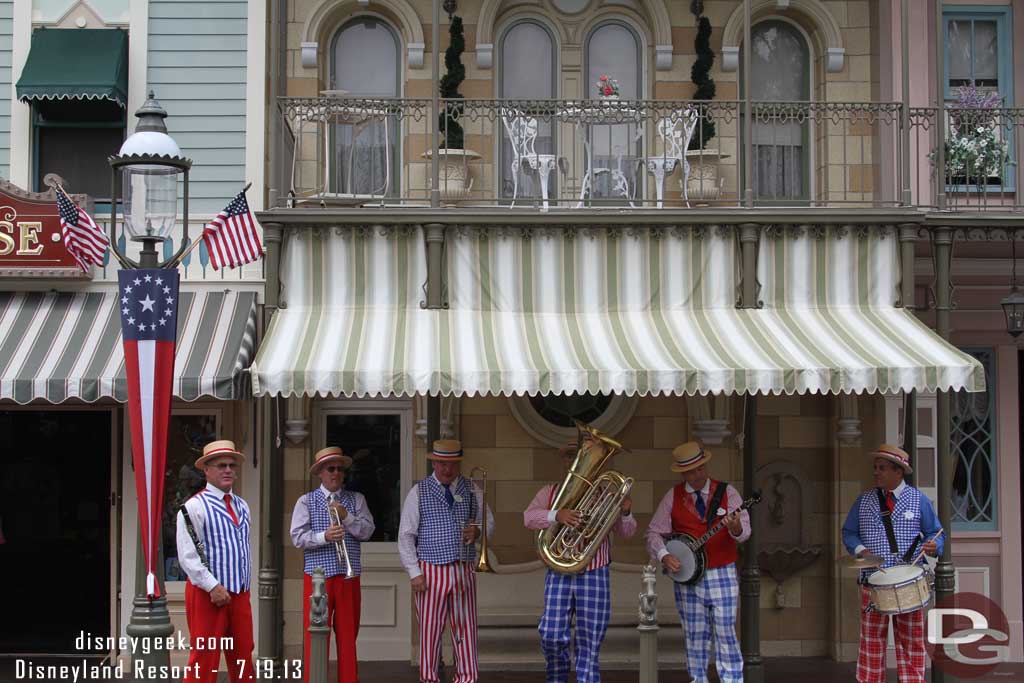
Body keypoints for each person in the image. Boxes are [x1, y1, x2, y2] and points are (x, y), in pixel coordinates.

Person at [523, 436, 636, 683]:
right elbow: (528, 518)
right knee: (551, 634)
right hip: (559, 572)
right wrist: (557, 515)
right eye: (570, 455)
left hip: (594, 572)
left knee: (590, 641)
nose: (574, 460)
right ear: (564, 462)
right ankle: (557, 676)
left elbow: (627, 533)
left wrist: (626, 512)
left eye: (579, 455)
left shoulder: (607, 493)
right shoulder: (550, 492)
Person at [645, 442, 749, 683]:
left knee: (726, 632)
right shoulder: (673, 496)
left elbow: (744, 534)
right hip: (689, 578)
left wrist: (736, 527)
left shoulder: (728, 493)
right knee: (695, 635)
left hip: (722, 571)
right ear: (683, 473)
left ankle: (733, 680)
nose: (698, 474)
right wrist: (664, 555)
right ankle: (698, 679)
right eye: (692, 471)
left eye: (701, 468)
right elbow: (653, 533)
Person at [842, 444, 942, 683]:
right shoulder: (863, 500)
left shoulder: (919, 500)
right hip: (873, 579)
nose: (876, 472)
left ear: (899, 472)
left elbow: (935, 532)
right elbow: (849, 532)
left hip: (910, 580)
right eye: (875, 467)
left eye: (882, 468)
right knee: (871, 640)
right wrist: (860, 549)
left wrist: (933, 546)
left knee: (911, 639)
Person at [397, 439, 494, 683]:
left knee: (466, 629)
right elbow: (406, 535)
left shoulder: (472, 489)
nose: (447, 469)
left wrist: (479, 532)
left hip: (463, 568)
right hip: (430, 570)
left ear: (458, 464)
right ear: (434, 463)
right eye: (442, 463)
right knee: (430, 631)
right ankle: (429, 679)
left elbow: (488, 521)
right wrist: (414, 572)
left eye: (451, 464)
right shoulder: (418, 491)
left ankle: (467, 678)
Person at [290, 446, 375, 683]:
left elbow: (367, 531)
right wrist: (324, 536)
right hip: (317, 578)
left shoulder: (356, 499)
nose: (336, 473)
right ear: (320, 472)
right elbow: (297, 537)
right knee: (315, 637)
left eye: (339, 469)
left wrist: (346, 516)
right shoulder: (305, 501)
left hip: (348, 577)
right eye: (330, 469)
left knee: (348, 637)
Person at [175, 440, 255, 683]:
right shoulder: (193, 507)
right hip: (207, 595)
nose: (228, 470)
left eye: (232, 465)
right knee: (204, 660)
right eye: (221, 465)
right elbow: (188, 556)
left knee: (243, 658)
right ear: (206, 470)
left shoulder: (243, 505)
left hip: (240, 593)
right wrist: (212, 586)